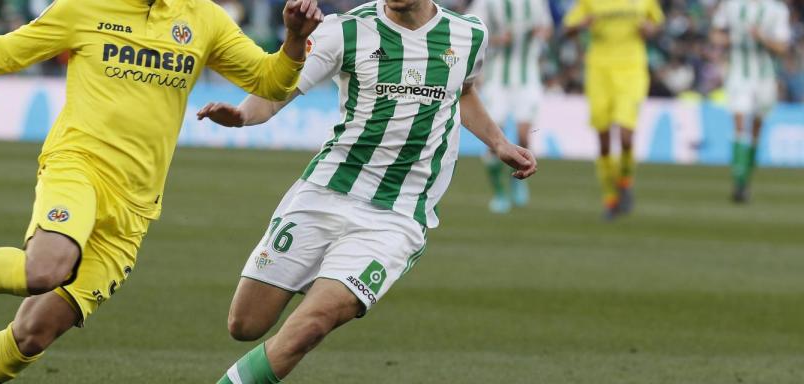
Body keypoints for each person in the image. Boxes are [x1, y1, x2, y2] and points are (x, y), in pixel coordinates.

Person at [0, 0, 322, 382]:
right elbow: (6, 52)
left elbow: (270, 81)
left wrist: (294, 40)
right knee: (45, 269)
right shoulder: (85, 7)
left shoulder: (203, 18)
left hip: (134, 208)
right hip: (77, 167)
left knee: (33, 335)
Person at [196, 0, 537, 381]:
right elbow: (280, 90)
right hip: (323, 193)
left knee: (310, 326)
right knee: (245, 324)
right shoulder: (345, 31)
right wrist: (243, 115)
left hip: (397, 216)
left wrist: (499, 143)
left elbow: (463, 89)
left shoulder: (469, 34)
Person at [563, 0, 664, 220]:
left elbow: (656, 23)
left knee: (626, 136)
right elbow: (567, 28)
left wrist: (650, 29)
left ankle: (625, 182)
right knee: (604, 140)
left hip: (631, 69)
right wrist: (582, 25)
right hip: (599, 71)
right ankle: (610, 199)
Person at [468, 0, 552, 213]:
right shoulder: (488, 3)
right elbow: (469, 30)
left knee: (524, 135)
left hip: (528, 77)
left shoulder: (535, 3)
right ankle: (499, 193)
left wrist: (542, 33)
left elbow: (547, 27)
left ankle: (517, 182)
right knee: (495, 138)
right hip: (497, 79)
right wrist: (496, 39)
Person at [711, 0, 791, 203]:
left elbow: (782, 47)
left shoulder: (777, 10)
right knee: (739, 125)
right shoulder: (732, 6)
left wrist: (761, 37)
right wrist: (729, 39)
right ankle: (738, 182)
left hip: (766, 77)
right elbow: (715, 35)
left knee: (756, 129)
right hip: (738, 74)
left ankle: (746, 178)